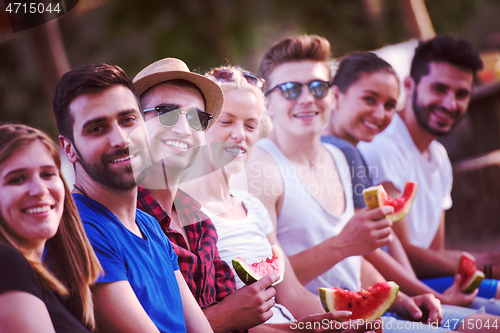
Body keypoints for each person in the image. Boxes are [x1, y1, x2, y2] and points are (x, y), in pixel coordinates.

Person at [246, 34, 497, 332]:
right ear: (266, 103)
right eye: (289, 89)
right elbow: (272, 280)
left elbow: (355, 263)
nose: (307, 98)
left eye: (317, 87)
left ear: (333, 96)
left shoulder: (338, 157)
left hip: (374, 312)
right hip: (326, 323)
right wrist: (342, 246)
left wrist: (402, 298)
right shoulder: (260, 169)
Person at [133, 58, 372, 333]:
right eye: (227, 122)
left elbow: (286, 296)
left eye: (250, 126)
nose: (239, 135)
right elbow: (223, 316)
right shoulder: (157, 214)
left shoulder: (207, 218)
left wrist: (341, 324)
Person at [54, 63, 213, 333]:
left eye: (128, 121)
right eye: (97, 129)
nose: (121, 139)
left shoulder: (147, 225)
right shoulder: (79, 230)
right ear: (69, 148)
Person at [321, 51, 485, 309]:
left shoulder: (351, 150)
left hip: (389, 289)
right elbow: (370, 248)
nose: (380, 114)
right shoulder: (344, 153)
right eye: (369, 99)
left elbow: (386, 237)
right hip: (360, 294)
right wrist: (436, 297)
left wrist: (421, 292)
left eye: (389, 105)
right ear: (336, 95)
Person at [358, 35, 500, 304]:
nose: (450, 104)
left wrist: (483, 266)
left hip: (426, 283)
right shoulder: (383, 146)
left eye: (461, 94)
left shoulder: (439, 156)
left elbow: (434, 253)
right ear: (409, 85)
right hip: (395, 291)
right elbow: (403, 255)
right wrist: (487, 265)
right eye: (439, 89)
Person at [0, 124, 102, 333]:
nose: (39, 190)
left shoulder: (50, 279)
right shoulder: (6, 262)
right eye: (17, 179)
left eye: (47, 174)